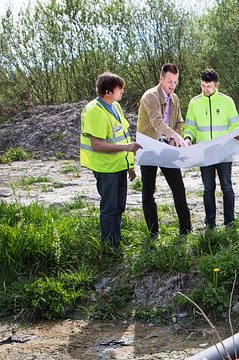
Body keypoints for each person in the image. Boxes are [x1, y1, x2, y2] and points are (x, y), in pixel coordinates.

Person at [80, 72, 142, 247]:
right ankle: (109, 247)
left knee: (119, 207)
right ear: (108, 92)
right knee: (110, 208)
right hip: (106, 169)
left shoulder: (114, 107)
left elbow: (122, 136)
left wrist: (129, 165)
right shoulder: (95, 111)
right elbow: (97, 145)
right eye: (119, 88)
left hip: (119, 166)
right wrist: (127, 149)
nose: (122, 91)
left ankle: (116, 242)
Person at [183, 68, 239, 229]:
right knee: (208, 188)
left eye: (208, 86)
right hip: (205, 154)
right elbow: (189, 127)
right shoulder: (194, 102)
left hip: (224, 153)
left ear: (217, 85)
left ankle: (229, 221)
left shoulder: (227, 101)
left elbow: (236, 124)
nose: (205, 89)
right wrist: (188, 138)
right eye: (203, 86)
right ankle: (210, 223)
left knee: (227, 187)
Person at [137, 63, 192, 238]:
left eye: (175, 82)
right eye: (169, 81)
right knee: (148, 191)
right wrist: (174, 134)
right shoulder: (149, 96)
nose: (172, 85)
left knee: (178, 188)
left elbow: (179, 122)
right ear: (160, 79)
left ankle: (186, 230)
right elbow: (157, 122)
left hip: (167, 148)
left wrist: (174, 137)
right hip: (149, 147)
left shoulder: (175, 98)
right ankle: (153, 232)